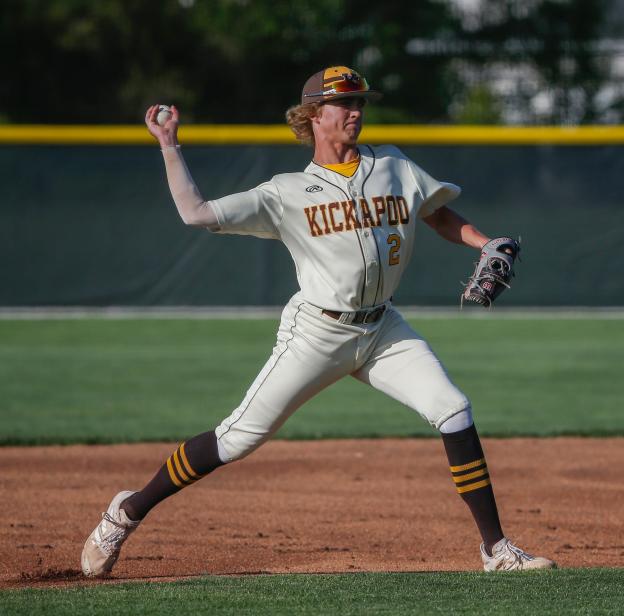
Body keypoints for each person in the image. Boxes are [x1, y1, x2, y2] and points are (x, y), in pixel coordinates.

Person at [81, 66, 556, 576]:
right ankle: (127, 510)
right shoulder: (286, 193)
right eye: (344, 103)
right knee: (237, 438)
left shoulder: (393, 165)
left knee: (454, 410)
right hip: (317, 332)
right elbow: (196, 213)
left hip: (383, 329)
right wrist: (169, 145)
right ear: (313, 116)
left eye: (360, 103)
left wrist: (484, 242)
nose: (356, 112)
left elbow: (437, 214)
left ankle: (496, 550)